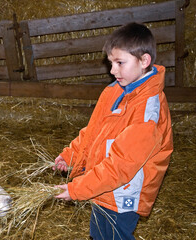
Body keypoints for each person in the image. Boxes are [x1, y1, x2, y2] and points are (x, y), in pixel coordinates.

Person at [52, 22, 173, 240]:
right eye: (111, 62)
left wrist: (78, 189)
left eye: (120, 62)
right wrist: (70, 156)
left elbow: (122, 164)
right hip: (102, 186)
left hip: (124, 192)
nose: (112, 70)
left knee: (116, 235)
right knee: (98, 234)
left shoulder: (147, 111)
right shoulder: (115, 91)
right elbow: (94, 131)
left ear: (144, 61)